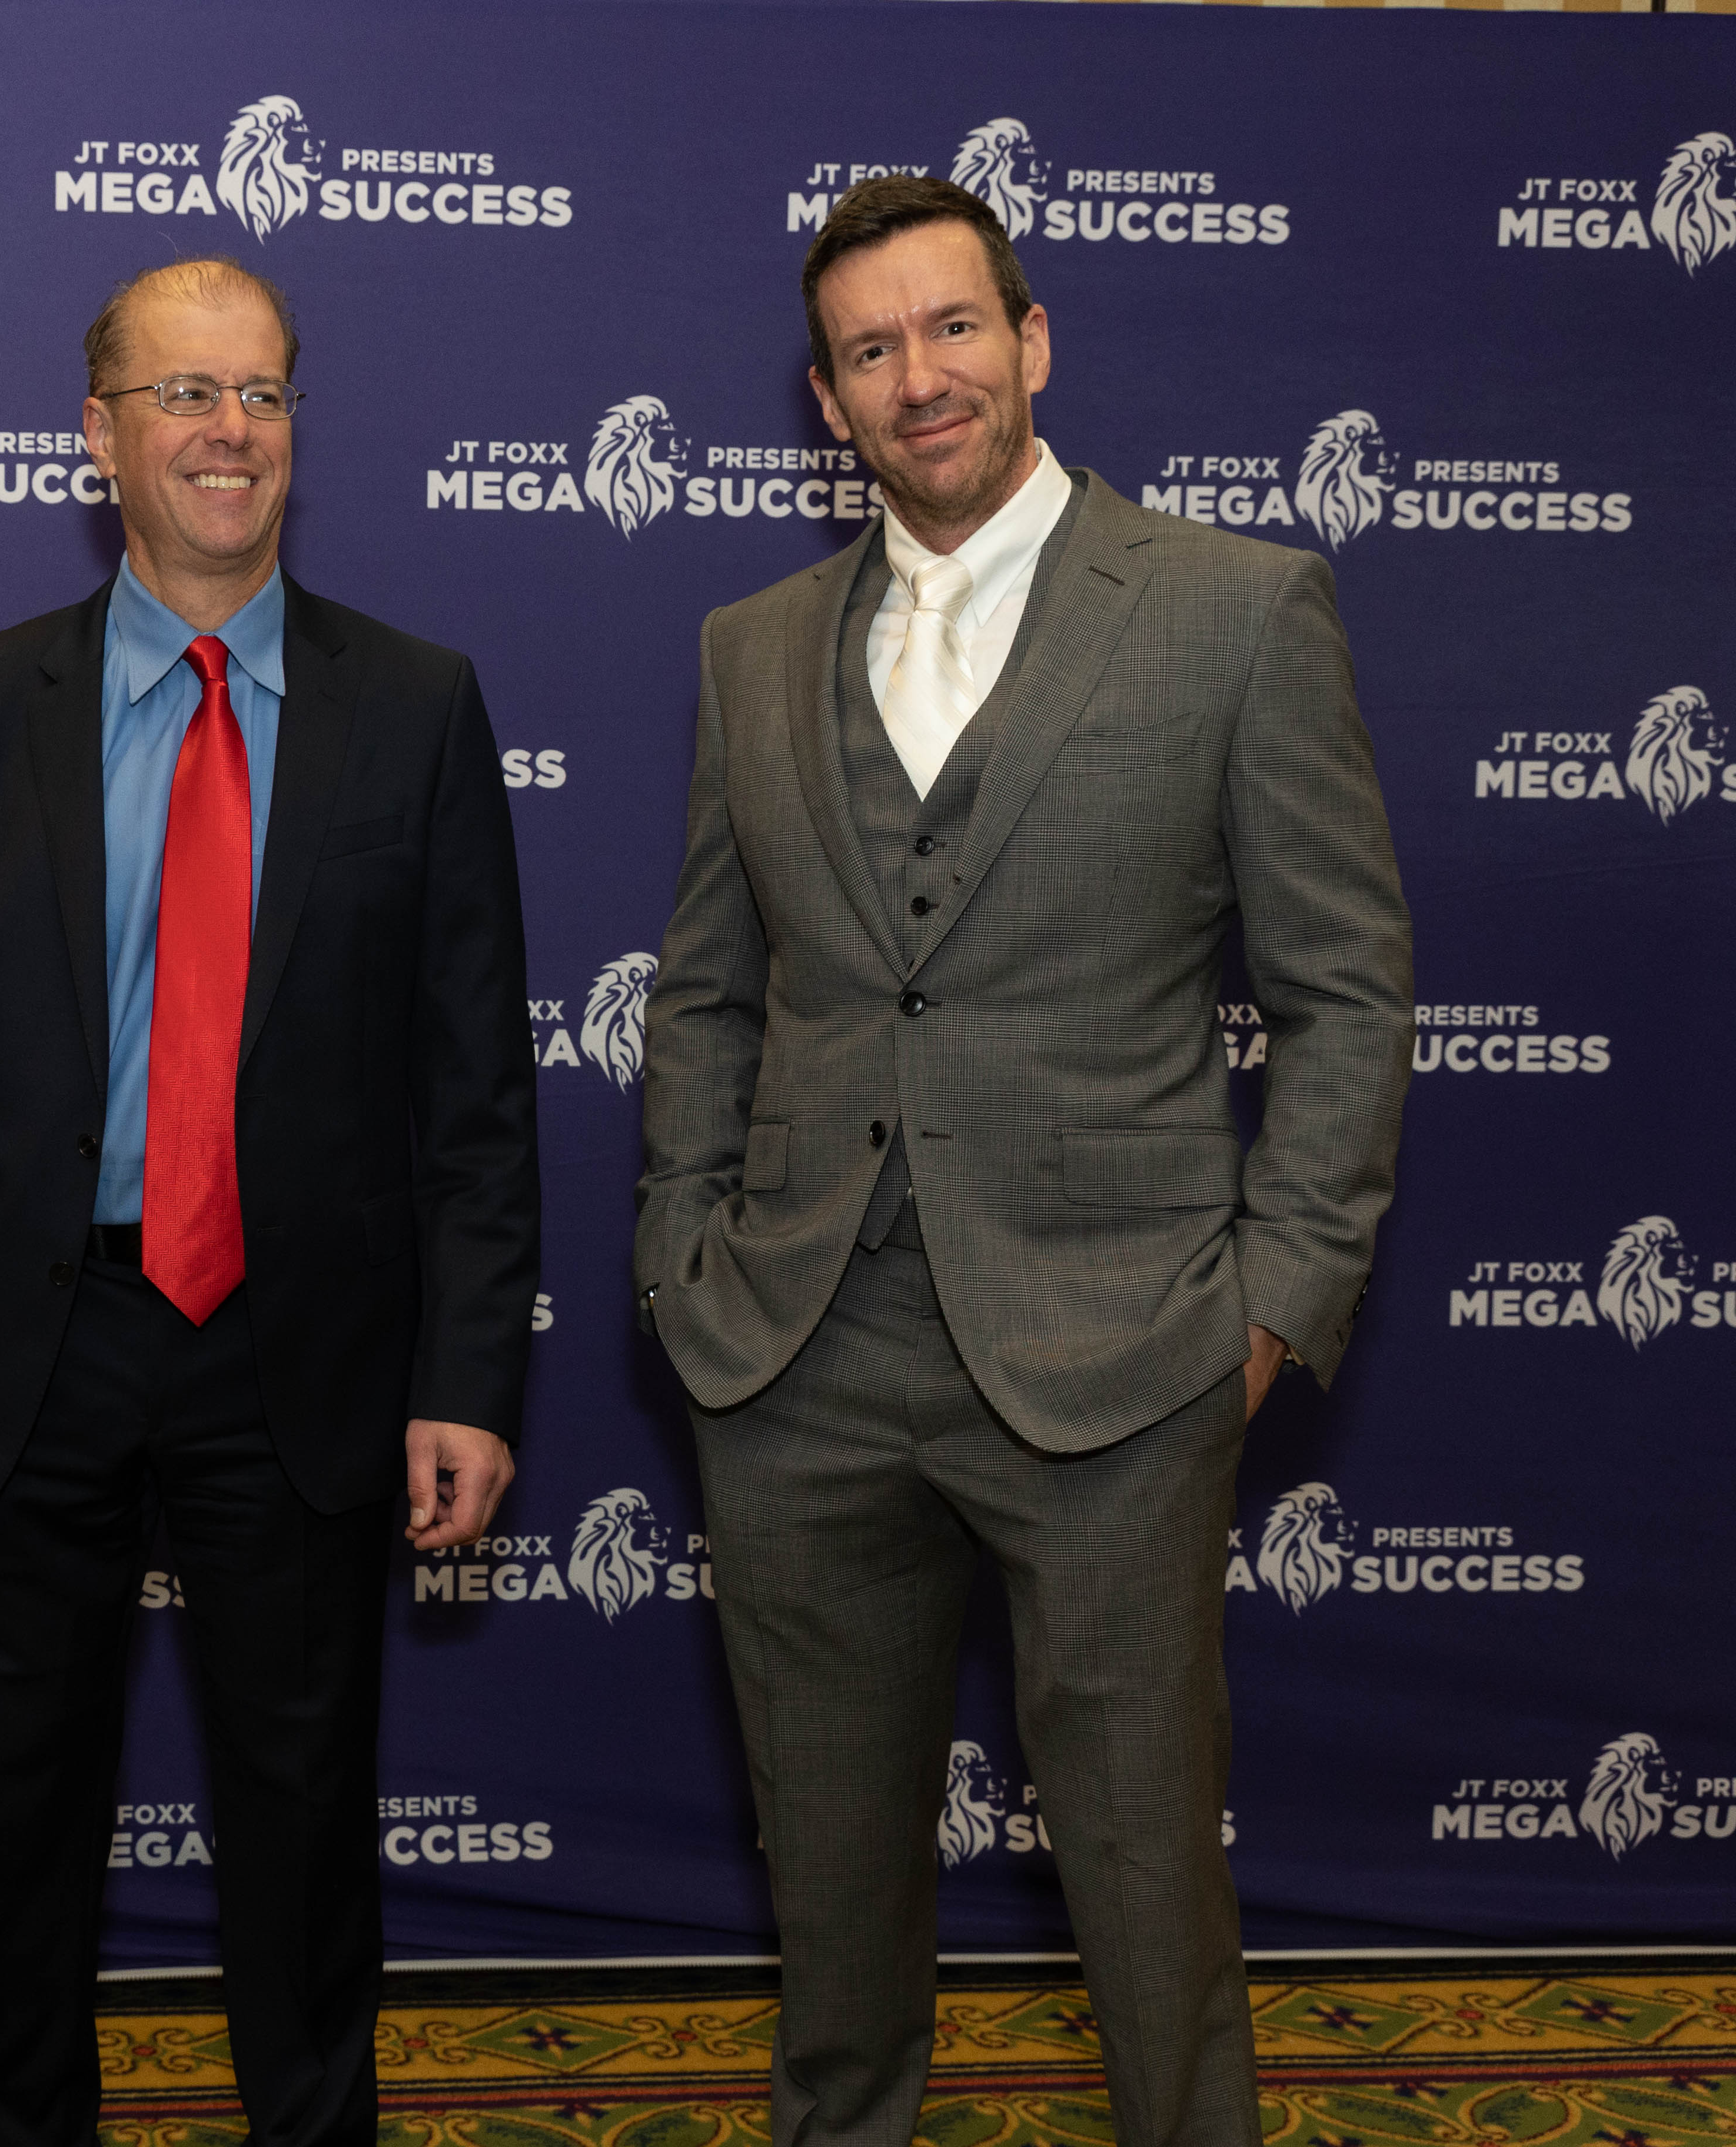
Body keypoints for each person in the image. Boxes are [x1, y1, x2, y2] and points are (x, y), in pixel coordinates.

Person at [635, 173, 1414, 2147]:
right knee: (830, 1912)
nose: (921, 377)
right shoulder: (749, 648)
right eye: (871, 351)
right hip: (794, 1357)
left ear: (1034, 339)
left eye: (954, 326)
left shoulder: (1235, 609)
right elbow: (708, 993)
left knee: (1150, 1897)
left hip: (1123, 1358)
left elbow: (1343, 989)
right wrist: (683, 1256)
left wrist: (1272, 1305)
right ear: (827, 401)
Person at [0, 257, 540, 2147]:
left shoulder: (419, 708)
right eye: (187, 394)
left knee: (304, 1839)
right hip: (29, 1347)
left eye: (265, 395)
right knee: (18, 1836)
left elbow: (476, 1095)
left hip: (296, 1357)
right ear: (100, 435)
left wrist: (469, 1377)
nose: (233, 432)